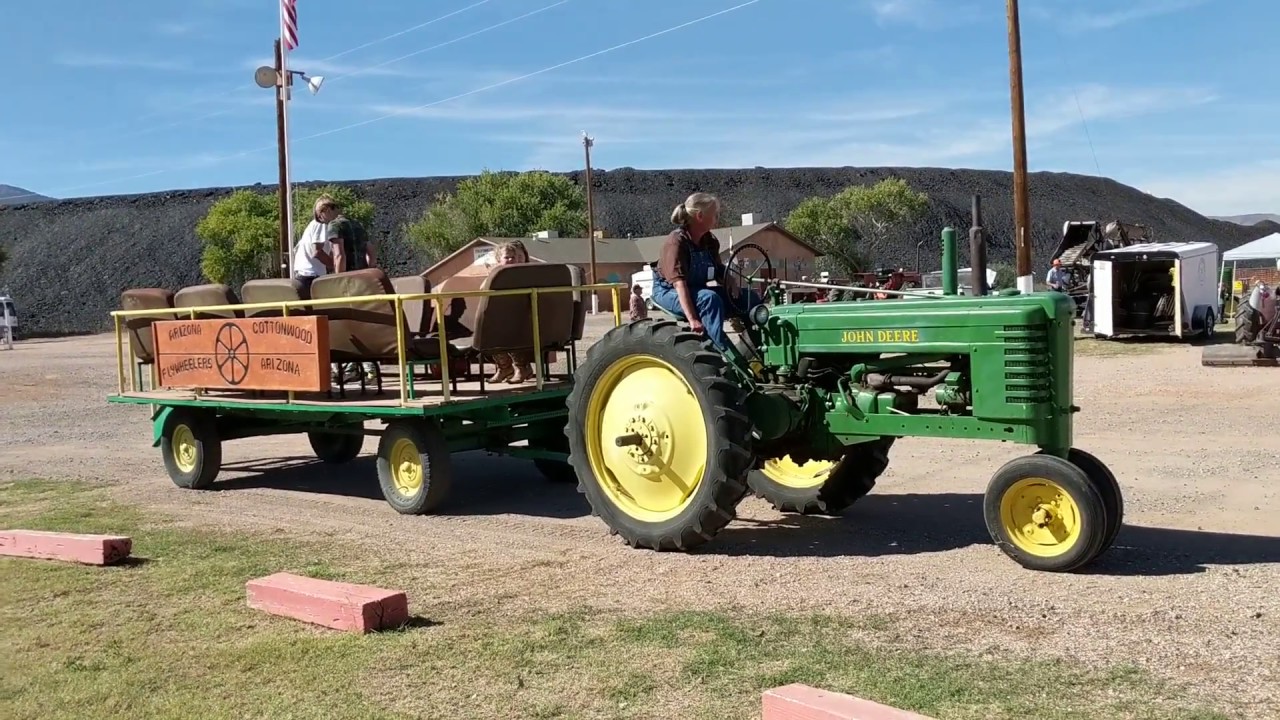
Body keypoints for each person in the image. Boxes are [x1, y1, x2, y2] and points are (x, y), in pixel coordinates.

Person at [649, 192, 757, 354]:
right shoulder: (676, 242)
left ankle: (756, 346)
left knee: (750, 297)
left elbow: (718, 270)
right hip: (669, 291)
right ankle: (717, 353)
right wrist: (693, 319)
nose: (717, 219)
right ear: (700, 216)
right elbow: (679, 284)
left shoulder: (709, 241)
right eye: (715, 215)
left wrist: (731, 282)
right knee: (709, 299)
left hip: (697, 290)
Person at [488, 240, 536, 384]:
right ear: (498, 260)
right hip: (503, 317)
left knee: (512, 330)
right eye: (506, 257)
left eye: (513, 257)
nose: (510, 260)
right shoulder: (496, 274)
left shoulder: (523, 274)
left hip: (524, 317)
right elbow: (484, 290)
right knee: (490, 331)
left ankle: (521, 368)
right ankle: (504, 368)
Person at [292, 196, 338, 299]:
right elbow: (317, 252)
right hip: (311, 275)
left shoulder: (314, 225)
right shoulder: (322, 225)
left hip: (306, 274)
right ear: (328, 210)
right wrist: (336, 266)